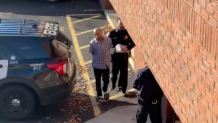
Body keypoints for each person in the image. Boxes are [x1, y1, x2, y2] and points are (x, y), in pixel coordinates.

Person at [107, 18, 135, 96]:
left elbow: (132, 43)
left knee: (123, 74)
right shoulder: (112, 33)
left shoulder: (127, 33)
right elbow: (107, 43)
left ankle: (122, 89)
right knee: (114, 72)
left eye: (123, 23)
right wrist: (113, 48)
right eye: (120, 23)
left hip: (124, 57)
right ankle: (113, 84)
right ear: (118, 23)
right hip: (115, 56)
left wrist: (127, 48)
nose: (122, 25)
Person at [89, 28, 112, 102]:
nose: (97, 35)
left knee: (106, 80)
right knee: (97, 80)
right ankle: (99, 95)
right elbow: (92, 52)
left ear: (101, 32)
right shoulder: (92, 43)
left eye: (98, 33)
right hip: (97, 64)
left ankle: (105, 90)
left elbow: (110, 47)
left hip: (105, 63)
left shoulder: (108, 40)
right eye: (95, 34)